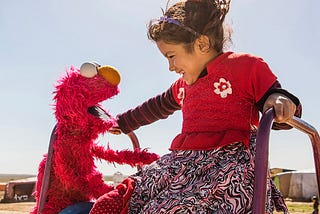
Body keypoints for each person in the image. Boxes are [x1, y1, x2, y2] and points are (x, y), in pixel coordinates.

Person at [90, 0, 302, 213]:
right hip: (183, 163)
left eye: (171, 56)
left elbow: (272, 95)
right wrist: (121, 123)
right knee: (119, 198)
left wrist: (277, 100)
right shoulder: (183, 87)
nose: (170, 66)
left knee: (165, 209)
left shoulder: (244, 66)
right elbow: (154, 107)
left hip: (227, 166)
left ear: (201, 44)